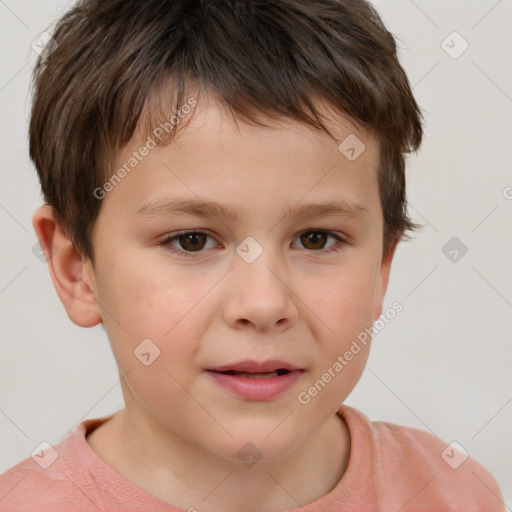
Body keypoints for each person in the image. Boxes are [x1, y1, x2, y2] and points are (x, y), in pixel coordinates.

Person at [0, 0, 505, 510]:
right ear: (75, 269)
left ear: (380, 268)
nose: (264, 304)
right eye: (191, 240)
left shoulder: (453, 492)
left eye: (316, 239)